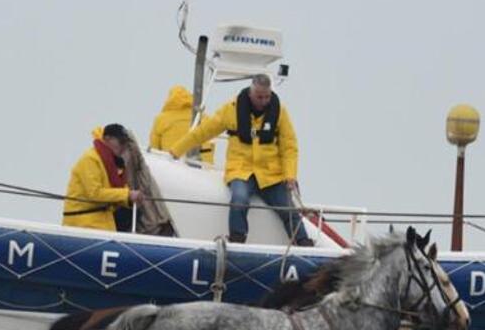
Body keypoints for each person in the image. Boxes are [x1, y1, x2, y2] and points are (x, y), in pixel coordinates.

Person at [170, 73, 311, 246]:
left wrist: (290, 175)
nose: (263, 101)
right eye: (259, 97)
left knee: (288, 210)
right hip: (241, 171)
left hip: (271, 175)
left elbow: (289, 146)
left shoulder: (280, 111)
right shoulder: (231, 109)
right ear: (251, 93)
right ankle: (237, 239)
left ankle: (305, 243)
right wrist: (176, 150)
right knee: (239, 199)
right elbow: (204, 131)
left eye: (267, 97)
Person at [63, 124, 147, 232]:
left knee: (134, 213)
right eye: (121, 142)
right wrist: (127, 194)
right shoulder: (90, 159)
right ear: (108, 139)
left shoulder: (115, 165)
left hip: (102, 222)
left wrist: (130, 199)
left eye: (126, 144)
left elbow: (118, 194)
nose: (124, 147)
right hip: (82, 224)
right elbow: (94, 193)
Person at [148, 85, 196, 157]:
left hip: (171, 163)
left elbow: (154, 150)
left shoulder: (161, 119)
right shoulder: (203, 118)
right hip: (202, 165)